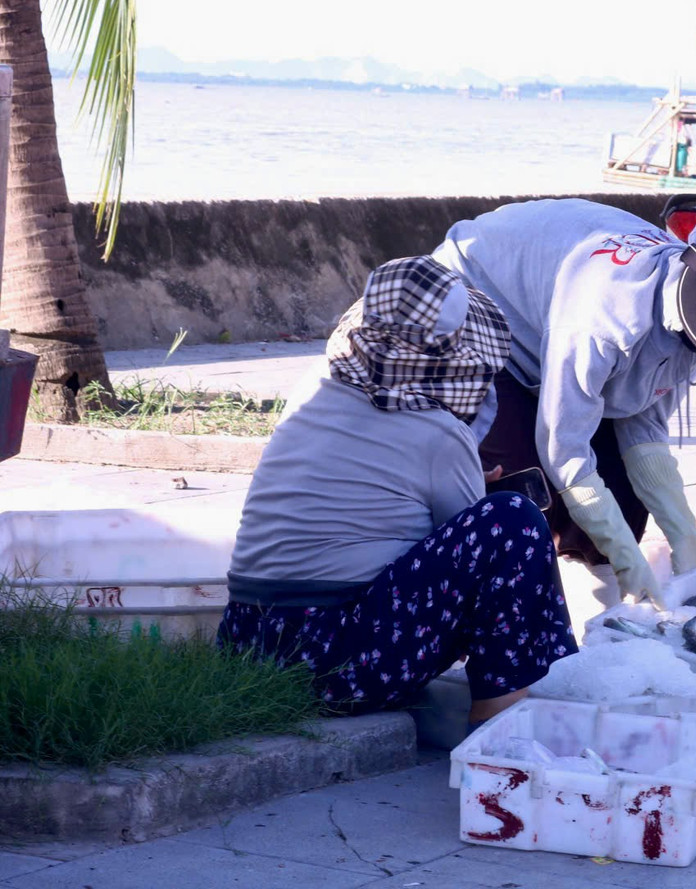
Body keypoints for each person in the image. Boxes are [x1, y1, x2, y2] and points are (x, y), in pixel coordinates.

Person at [219, 256, 575, 721]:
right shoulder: (434, 429)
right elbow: (478, 565)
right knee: (513, 521)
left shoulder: (314, 388)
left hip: (249, 640)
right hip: (332, 656)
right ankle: (500, 717)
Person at [432, 200, 696, 605]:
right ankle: (503, 603)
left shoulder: (688, 317)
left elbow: (643, 428)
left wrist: (684, 535)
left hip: (549, 322)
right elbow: (562, 445)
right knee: (527, 482)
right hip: (476, 305)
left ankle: (607, 603)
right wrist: (625, 556)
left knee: (622, 487)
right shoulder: (604, 316)